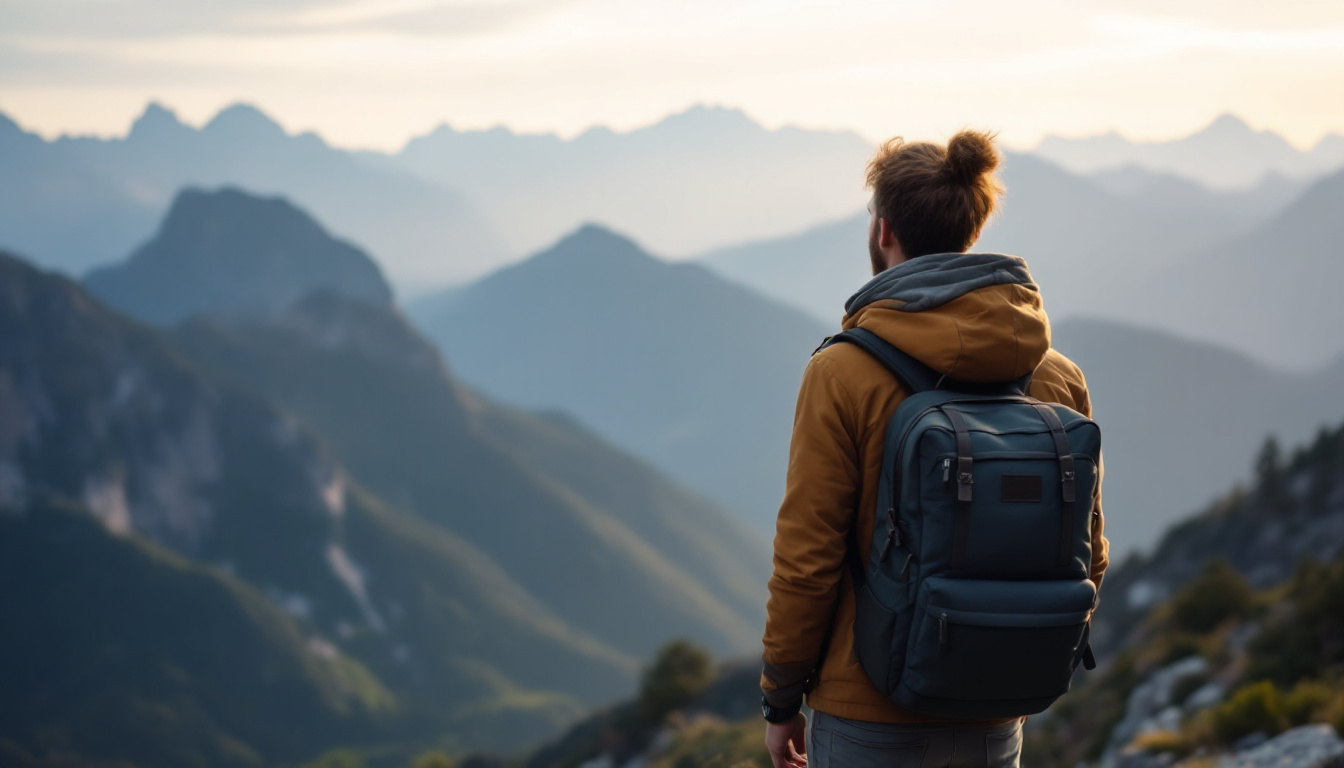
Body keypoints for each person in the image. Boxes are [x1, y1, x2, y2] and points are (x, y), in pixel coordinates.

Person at [759, 130, 1109, 768]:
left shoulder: (842, 373)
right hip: (996, 713)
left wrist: (780, 698)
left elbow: (808, 559)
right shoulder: (1055, 376)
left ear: (883, 230)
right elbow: (1089, 549)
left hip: (866, 711)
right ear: (969, 231)